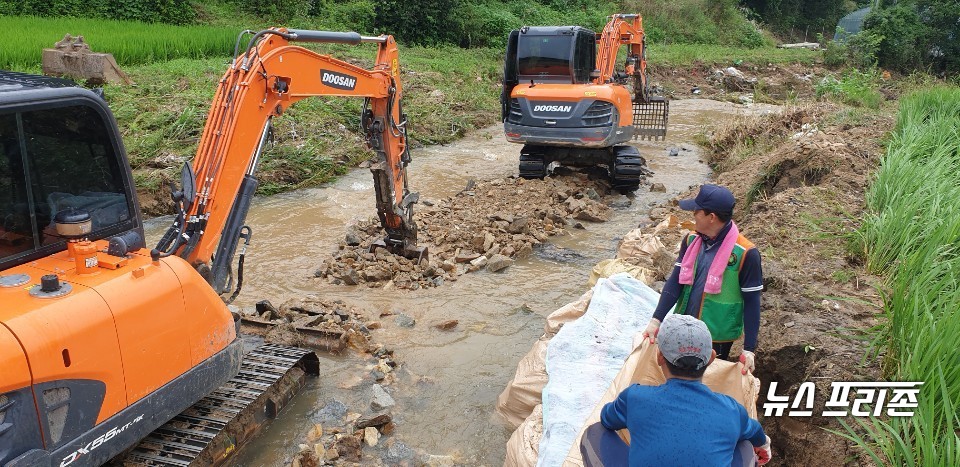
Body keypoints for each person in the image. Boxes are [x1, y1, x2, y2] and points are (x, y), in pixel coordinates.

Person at [599, 314, 772, 466]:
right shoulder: (731, 410)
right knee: (745, 446)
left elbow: (607, 419)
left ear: (660, 357)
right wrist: (764, 445)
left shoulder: (635, 398)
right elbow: (756, 432)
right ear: (712, 358)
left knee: (594, 432)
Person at [642, 184, 762, 373]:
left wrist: (749, 350)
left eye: (697, 211)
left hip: (716, 336)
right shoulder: (691, 241)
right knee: (677, 375)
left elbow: (752, 302)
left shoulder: (745, 253)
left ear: (711, 217)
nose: (693, 215)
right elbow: (675, 282)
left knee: (707, 380)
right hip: (683, 326)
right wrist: (656, 320)